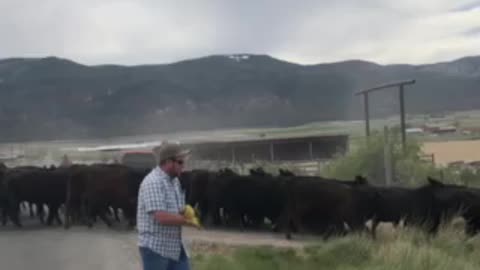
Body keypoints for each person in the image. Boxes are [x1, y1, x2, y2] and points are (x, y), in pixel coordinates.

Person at [137, 142, 198, 270]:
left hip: (175, 247)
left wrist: (186, 211)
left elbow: (177, 210)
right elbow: (161, 217)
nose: (184, 166)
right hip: (155, 248)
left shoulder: (174, 181)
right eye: (180, 162)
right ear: (168, 162)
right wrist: (188, 221)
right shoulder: (153, 182)